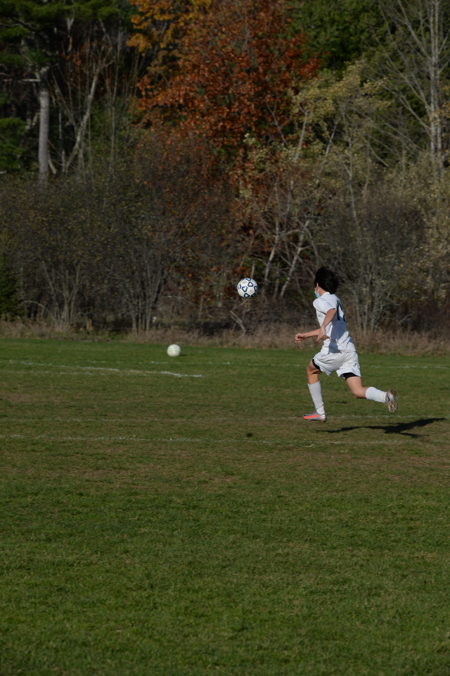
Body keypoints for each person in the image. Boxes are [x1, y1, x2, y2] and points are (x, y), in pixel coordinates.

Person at [294, 267, 397, 421]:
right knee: (357, 391)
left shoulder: (320, 301)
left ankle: (320, 412)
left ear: (317, 285)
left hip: (335, 351)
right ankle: (386, 397)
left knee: (311, 371)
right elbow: (331, 325)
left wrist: (323, 327)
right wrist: (306, 335)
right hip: (349, 350)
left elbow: (330, 312)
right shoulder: (336, 299)